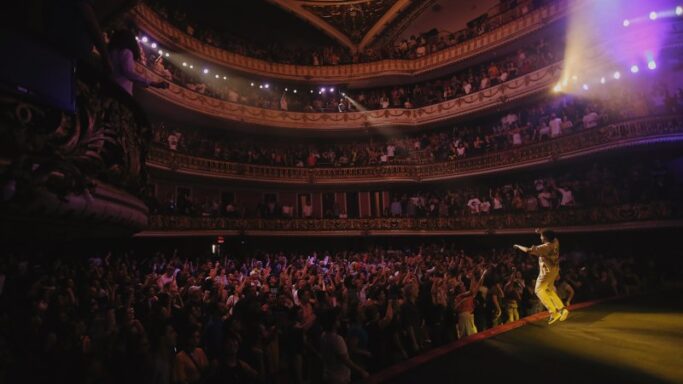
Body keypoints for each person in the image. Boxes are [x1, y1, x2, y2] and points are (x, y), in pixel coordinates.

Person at [513, 229, 569, 324]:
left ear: (545, 238)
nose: (540, 237)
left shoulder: (544, 247)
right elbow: (553, 236)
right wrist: (541, 231)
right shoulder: (555, 242)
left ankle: (553, 312)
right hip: (554, 270)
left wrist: (518, 246)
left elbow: (527, 250)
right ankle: (562, 309)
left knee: (538, 290)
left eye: (541, 236)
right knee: (548, 290)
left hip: (546, 273)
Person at [108, 29, 168, 95]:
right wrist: (152, 83)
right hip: (121, 89)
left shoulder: (113, 51)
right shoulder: (127, 52)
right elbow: (129, 73)